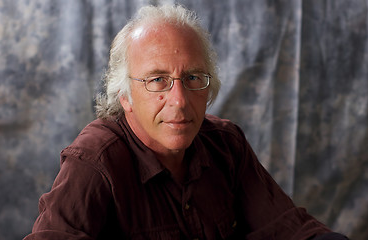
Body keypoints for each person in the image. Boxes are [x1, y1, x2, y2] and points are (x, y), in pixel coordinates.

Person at [24, 4, 348, 240]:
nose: (179, 99)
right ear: (125, 95)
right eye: (157, 80)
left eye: (192, 77)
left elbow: (287, 228)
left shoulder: (226, 144)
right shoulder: (95, 162)